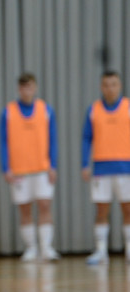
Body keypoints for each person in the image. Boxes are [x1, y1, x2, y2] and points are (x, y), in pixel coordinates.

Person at [0, 73, 60, 262]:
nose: (27, 91)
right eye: (23, 87)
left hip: (41, 168)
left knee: (44, 205)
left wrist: (53, 165)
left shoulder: (46, 110)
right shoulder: (8, 112)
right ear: (19, 89)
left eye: (30, 87)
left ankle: (46, 248)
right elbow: (3, 141)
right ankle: (31, 248)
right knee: (24, 209)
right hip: (19, 170)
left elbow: (53, 139)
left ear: (35, 88)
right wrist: (5, 167)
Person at [82, 70, 130, 265]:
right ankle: (101, 251)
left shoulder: (127, 107)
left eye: (114, 84)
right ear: (101, 87)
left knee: (128, 209)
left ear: (119, 86)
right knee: (101, 211)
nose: (110, 88)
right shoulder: (94, 110)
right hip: (102, 168)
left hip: (125, 167)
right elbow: (86, 138)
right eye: (106, 85)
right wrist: (84, 163)